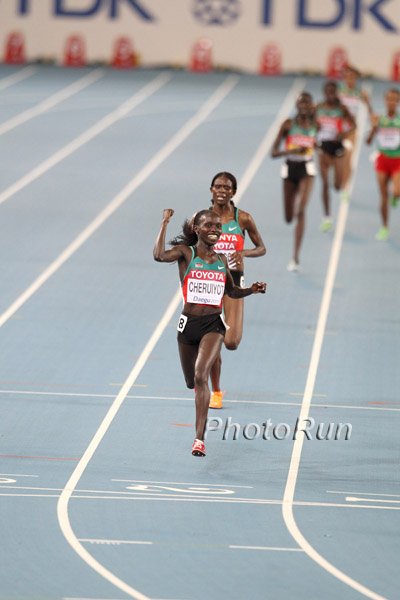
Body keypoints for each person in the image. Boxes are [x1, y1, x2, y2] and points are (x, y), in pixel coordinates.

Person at [153, 208, 266, 457]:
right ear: (197, 229)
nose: (215, 230)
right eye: (209, 226)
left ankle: (199, 439)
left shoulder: (221, 260)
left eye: (218, 227)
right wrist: (164, 223)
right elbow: (159, 255)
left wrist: (252, 290)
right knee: (192, 382)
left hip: (213, 325)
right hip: (188, 325)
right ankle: (201, 392)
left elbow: (232, 291)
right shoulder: (186, 253)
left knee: (201, 374)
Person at [207, 172, 266, 409]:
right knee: (213, 340)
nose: (222, 190)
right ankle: (216, 391)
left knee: (230, 342)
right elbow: (190, 247)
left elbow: (261, 247)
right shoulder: (202, 219)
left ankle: (220, 337)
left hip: (234, 283)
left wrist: (243, 253)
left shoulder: (243, 219)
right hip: (210, 284)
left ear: (233, 192)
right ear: (211, 189)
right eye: (218, 186)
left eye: (227, 187)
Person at [271, 92, 318, 272]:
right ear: (296, 106)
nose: (304, 106)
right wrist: (292, 151)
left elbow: (324, 141)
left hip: (307, 170)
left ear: (311, 106)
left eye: (307, 103)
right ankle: (295, 255)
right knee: (289, 217)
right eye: (301, 103)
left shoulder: (316, 125)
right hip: (289, 169)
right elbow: (273, 152)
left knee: (300, 211)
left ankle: (295, 257)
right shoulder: (288, 124)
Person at [315, 80, 356, 231]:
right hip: (323, 147)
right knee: (325, 183)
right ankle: (327, 217)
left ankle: (340, 184)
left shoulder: (341, 108)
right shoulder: (318, 108)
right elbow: (311, 125)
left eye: (333, 91)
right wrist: (315, 130)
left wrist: (344, 134)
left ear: (336, 93)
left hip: (337, 146)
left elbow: (354, 125)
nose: (330, 94)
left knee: (337, 186)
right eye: (328, 91)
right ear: (325, 93)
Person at [366, 88, 400, 241]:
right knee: (383, 196)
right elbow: (368, 142)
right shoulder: (378, 119)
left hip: (397, 160)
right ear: (385, 101)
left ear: (398, 102)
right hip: (382, 159)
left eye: (394, 99)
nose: (391, 102)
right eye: (389, 98)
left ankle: (396, 196)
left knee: (397, 192)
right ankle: (384, 227)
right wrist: (374, 128)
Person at [338, 65, 373, 193]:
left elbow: (370, 111)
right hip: (337, 130)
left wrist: (373, 121)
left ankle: (346, 187)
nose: (350, 79)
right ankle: (339, 177)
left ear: (356, 78)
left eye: (352, 77)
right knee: (338, 159)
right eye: (347, 76)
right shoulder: (338, 91)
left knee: (348, 158)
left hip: (351, 130)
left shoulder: (360, 93)